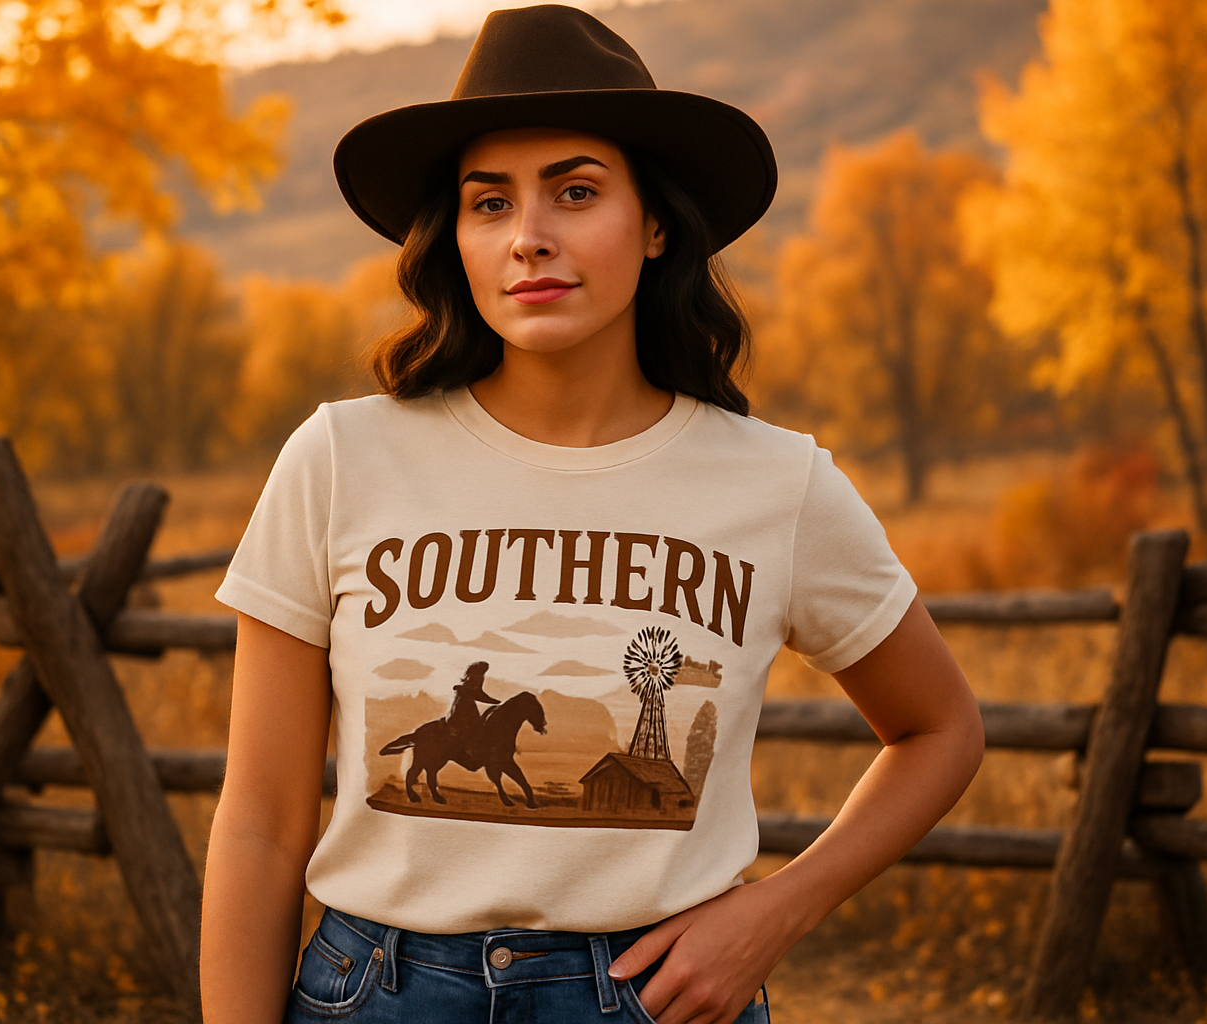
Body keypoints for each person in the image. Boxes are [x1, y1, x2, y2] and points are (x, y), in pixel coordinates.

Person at [199, 6, 984, 1024]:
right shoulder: (341, 458)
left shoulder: (776, 484)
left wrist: (779, 909)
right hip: (381, 993)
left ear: (655, 223)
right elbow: (260, 822)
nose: (529, 237)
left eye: (575, 191)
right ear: (460, 236)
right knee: (470, 731)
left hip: (653, 1000)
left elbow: (941, 727)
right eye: (490, 204)